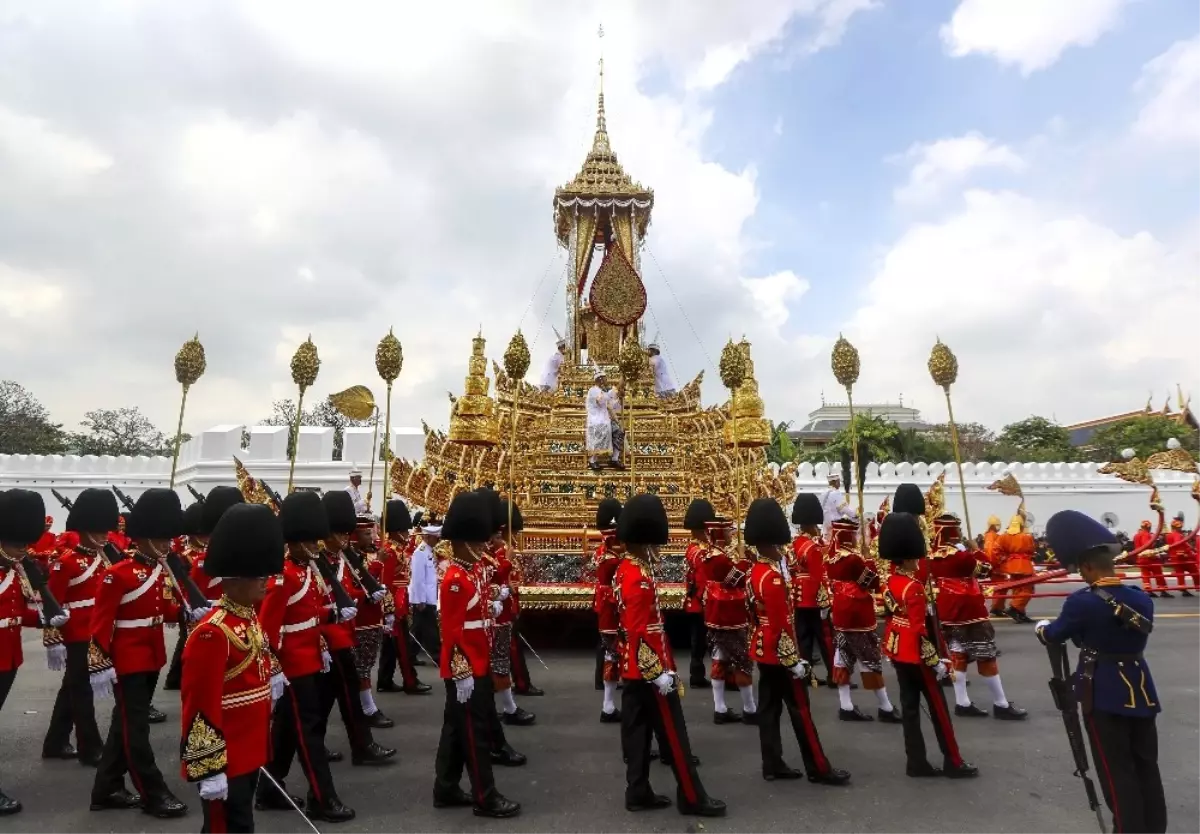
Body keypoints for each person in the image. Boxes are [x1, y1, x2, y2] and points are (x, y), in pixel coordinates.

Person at [1037, 509, 1166, 834]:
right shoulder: (1141, 598)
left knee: (1116, 771)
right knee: (1147, 766)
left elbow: (1055, 635)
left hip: (1103, 691)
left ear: (1088, 566)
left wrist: (1041, 628)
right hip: (1141, 687)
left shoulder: (1082, 602)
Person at [89, 488, 200, 818]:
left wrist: (183, 613)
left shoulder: (159, 569)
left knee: (123, 726)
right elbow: (100, 623)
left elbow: (159, 609)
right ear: (143, 538)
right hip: (127, 661)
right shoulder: (117, 574)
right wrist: (100, 661)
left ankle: (106, 788)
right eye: (160, 538)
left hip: (151, 657)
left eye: (168, 538)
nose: (166, 544)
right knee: (134, 730)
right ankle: (152, 792)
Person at [616, 493, 725, 817]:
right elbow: (639, 630)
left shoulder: (628, 569)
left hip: (634, 668)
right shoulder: (639, 579)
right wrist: (657, 671)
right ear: (646, 542)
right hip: (649, 671)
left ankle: (637, 790)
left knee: (638, 734)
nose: (658, 550)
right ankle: (692, 796)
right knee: (674, 735)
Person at [180, 503, 285, 834]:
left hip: (249, 746)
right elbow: (199, 703)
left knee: (239, 822)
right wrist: (208, 766)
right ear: (237, 577)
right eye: (260, 575)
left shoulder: (246, 617)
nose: (266, 582)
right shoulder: (213, 632)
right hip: (225, 753)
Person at [258, 490, 354, 822]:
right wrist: (272, 669)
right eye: (310, 540)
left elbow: (308, 614)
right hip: (292, 667)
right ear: (296, 540)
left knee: (286, 729)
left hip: (311, 658)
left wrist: (331, 615)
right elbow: (267, 628)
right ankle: (321, 797)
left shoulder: (305, 570)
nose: (316, 545)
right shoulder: (283, 576)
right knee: (309, 733)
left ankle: (269, 788)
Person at [744, 497, 851, 786]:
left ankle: (772, 763)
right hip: (780, 652)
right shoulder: (773, 578)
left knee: (768, 709)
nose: (782, 549)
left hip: (762, 649)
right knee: (800, 709)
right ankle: (818, 767)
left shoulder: (756, 571)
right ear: (770, 542)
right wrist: (795, 661)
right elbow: (781, 624)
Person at [433, 490, 521, 818]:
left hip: (477, 662)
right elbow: (450, 630)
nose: (486, 545)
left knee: (456, 729)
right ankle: (485, 796)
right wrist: (462, 670)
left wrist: (496, 597)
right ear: (466, 541)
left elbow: (480, 611)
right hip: (467, 668)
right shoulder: (455, 579)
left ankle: (445, 786)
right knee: (475, 733)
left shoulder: (472, 572)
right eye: (480, 540)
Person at [878, 511, 978, 779]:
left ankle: (916, 761)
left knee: (910, 707)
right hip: (917, 653)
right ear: (911, 557)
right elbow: (919, 628)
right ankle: (953, 761)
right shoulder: (913, 587)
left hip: (898, 648)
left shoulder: (891, 580)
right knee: (939, 709)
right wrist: (937, 662)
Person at [1, 489, 70, 815]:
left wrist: (46, 617)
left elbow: (16, 610)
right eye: (16, 545)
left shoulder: (14, 569)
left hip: (9, 657)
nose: (22, 551)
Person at [317, 492, 395, 766]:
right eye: (336, 534)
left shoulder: (340, 559)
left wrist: (363, 596)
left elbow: (347, 589)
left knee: (328, 699)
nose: (341, 539)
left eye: (343, 533)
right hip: (326, 639)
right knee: (340, 696)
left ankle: (340, 745)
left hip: (342, 635)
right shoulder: (317, 561)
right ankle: (361, 746)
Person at [43, 488, 120, 767]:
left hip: (98, 632)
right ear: (84, 530)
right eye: (98, 531)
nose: (104, 535)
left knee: (72, 689)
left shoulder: (106, 558)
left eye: (106, 531)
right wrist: (54, 639)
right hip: (75, 634)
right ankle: (90, 746)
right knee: (83, 691)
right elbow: (52, 604)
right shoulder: (67, 563)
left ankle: (55, 741)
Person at [926, 514, 1027, 721]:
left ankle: (961, 701)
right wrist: (975, 549)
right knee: (986, 655)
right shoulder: (961, 556)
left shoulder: (931, 557)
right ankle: (1001, 703)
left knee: (958, 655)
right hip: (970, 610)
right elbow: (986, 569)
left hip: (947, 611)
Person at [824, 517, 901, 723]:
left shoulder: (831, 558)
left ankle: (846, 705)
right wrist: (869, 560)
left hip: (840, 613)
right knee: (869, 659)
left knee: (842, 658)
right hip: (858, 615)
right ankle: (884, 706)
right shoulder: (854, 560)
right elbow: (872, 582)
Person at [697, 516, 757, 724]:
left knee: (719, 658)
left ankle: (720, 708)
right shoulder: (720, 558)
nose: (731, 534)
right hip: (730, 613)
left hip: (715, 612)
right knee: (743, 661)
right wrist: (744, 561)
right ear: (720, 534)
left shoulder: (709, 554)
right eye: (728, 531)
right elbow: (735, 580)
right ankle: (749, 709)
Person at [484, 496, 536, 727]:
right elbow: (492, 583)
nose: (498, 540)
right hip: (492, 615)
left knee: (499, 661)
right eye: (495, 536)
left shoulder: (496, 553)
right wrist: (506, 564)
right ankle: (505, 707)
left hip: (502, 613)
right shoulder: (490, 557)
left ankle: (507, 706)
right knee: (496, 661)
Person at [377, 499, 431, 694]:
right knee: (402, 647)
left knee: (391, 646)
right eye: (404, 529)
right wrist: (390, 609)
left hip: (401, 600)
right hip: (395, 604)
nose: (407, 533)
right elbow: (386, 581)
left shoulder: (397, 549)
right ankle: (410, 681)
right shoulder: (389, 551)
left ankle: (385, 679)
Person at [788, 494, 835, 684]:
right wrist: (826, 602)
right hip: (815, 598)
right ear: (811, 524)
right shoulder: (812, 548)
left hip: (799, 596)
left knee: (804, 638)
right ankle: (834, 675)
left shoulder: (795, 544)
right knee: (825, 638)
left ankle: (806, 675)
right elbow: (819, 577)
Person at [501, 500, 544, 698]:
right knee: (511, 647)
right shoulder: (501, 550)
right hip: (501, 604)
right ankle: (521, 683)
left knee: (513, 646)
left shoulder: (507, 546)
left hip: (509, 601)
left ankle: (520, 682)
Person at [592, 498, 624, 720]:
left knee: (608, 651)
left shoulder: (602, 553)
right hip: (612, 609)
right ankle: (608, 706)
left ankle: (608, 701)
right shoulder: (613, 560)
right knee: (613, 654)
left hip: (605, 605)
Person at [681, 499, 712, 689]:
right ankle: (697, 674)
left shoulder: (693, 549)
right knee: (702, 641)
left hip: (694, 599)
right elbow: (702, 579)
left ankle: (697, 673)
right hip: (701, 601)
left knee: (698, 640)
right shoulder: (699, 552)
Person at [998, 505, 1038, 622]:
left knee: (1017, 590)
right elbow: (1031, 550)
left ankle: (1020, 613)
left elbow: (997, 550)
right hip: (1024, 566)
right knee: (1028, 589)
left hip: (1011, 566)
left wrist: (1004, 560)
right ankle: (1015, 608)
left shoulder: (1003, 537)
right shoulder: (1027, 537)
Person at [410, 522, 442, 662]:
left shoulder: (429, 551)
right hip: (424, 598)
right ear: (428, 537)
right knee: (430, 629)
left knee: (418, 629)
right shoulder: (420, 553)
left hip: (430, 596)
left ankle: (410, 655)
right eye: (436, 538)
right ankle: (437, 656)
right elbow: (418, 578)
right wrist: (420, 599)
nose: (438, 541)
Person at [586, 366, 624, 470]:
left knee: (619, 431)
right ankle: (592, 460)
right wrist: (613, 392)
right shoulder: (593, 390)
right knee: (601, 431)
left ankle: (614, 459)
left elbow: (612, 405)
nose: (606, 380)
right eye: (605, 378)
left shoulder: (601, 391)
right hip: (596, 421)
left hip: (605, 420)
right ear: (600, 379)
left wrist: (619, 397)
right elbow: (601, 400)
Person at [1167, 515, 1199, 596]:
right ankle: (1198, 586)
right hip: (1183, 557)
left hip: (1174, 557)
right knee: (1194, 571)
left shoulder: (1169, 535)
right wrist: (1183, 553)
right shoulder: (1177, 535)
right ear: (1178, 527)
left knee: (1180, 574)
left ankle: (1183, 589)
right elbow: (1178, 544)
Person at [984, 515, 1007, 617]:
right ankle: (997, 607)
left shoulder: (989, 536)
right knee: (1000, 587)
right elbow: (991, 553)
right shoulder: (992, 536)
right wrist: (997, 562)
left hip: (995, 565)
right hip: (997, 566)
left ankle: (998, 607)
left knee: (1000, 587)